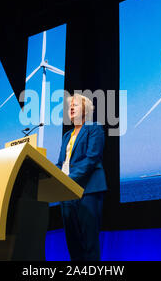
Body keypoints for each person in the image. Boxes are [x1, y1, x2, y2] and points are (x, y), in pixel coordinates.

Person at [55, 93, 107, 261]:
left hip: (88, 191)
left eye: (75, 105)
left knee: (89, 244)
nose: (70, 108)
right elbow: (61, 163)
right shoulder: (66, 136)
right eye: (69, 106)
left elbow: (91, 159)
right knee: (73, 244)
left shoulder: (95, 128)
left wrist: (66, 180)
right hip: (66, 194)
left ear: (85, 110)